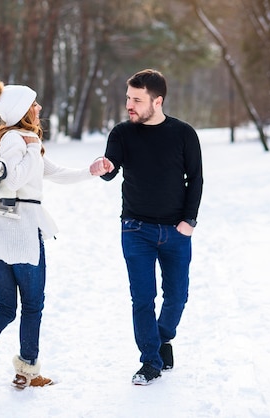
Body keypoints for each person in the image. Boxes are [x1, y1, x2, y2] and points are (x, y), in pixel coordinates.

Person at [0, 78, 109, 399]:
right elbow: (16, 178)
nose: (39, 107)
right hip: (23, 234)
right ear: (22, 110)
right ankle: (26, 372)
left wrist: (91, 170)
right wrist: (31, 146)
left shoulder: (14, 141)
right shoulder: (20, 140)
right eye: (34, 103)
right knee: (32, 305)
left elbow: (54, 173)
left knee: (5, 306)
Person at [90, 69, 203, 385]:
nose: (130, 105)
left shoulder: (184, 134)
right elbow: (111, 168)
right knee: (142, 298)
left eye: (137, 100)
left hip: (176, 231)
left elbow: (195, 179)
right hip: (136, 229)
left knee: (177, 296)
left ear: (157, 101)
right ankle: (150, 361)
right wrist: (105, 167)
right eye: (128, 98)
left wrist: (189, 221)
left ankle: (162, 336)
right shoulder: (122, 134)